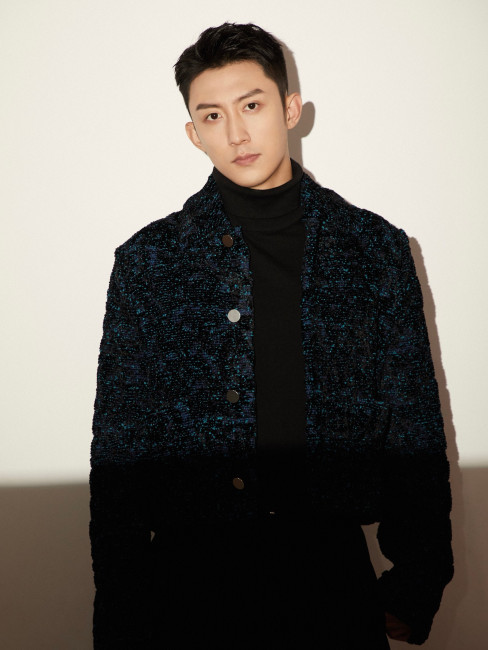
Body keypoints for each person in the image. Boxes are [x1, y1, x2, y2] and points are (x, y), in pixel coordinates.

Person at [89, 22, 454, 649]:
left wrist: (417, 581)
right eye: (212, 116)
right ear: (193, 132)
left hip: (328, 579)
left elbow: (412, 422)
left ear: (289, 110)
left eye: (251, 106)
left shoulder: (372, 249)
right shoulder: (150, 261)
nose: (236, 133)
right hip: (188, 586)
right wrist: (121, 608)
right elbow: (120, 447)